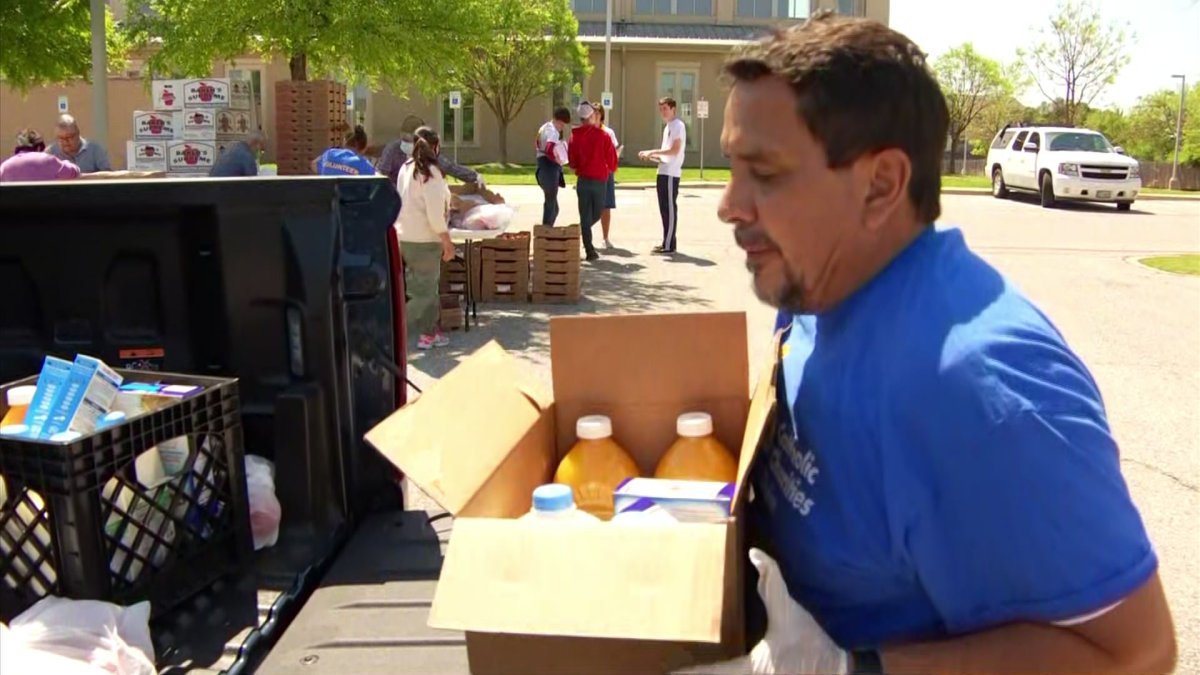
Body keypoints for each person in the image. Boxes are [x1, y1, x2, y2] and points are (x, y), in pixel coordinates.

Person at [701, 14, 1175, 675]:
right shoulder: (814, 294)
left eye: (766, 173)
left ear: (880, 185)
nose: (729, 204)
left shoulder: (984, 392)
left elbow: (1137, 652)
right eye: (732, 167)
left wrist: (849, 668)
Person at [396, 127, 455, 351]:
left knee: (425, 289)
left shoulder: (406, 168)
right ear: (436, 147)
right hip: (425, 239)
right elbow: (434, 214)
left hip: (405, 236)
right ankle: (397, 327)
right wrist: (446, 240)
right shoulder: (430, 172)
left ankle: (429, 333)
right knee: (426, 292)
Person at [566, 102, 617, 262]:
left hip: (583, 180)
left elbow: (572, 161)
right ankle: (588, 248)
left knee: (585, 214)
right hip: (600, 180)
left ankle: (587, 245)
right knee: (596, 212)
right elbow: (612, 160)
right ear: (591, 117)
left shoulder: (574, 136)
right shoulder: (603, 136)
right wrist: (611, 167)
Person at [639, 97, 685, 254]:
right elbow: (666, 155)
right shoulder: (667, 127)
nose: (663, 112)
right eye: (661, 109)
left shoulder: (678, 126)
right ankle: (666, 241)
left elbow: (675, 150)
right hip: (663, 172)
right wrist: (651, 156)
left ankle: (669, 245)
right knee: (664, 210)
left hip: (671, 174)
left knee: (670, 209)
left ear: (673, 109)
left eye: (665, 108)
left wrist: (653, 151)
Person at [379, 116, 481, 187]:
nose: (407, 144)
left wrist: (474, 176)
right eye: (404, 139)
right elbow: (382, 176)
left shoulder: (427, 151)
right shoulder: (392, 150)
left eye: (410, 140)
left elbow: (449, 167)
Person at [535, 107, 571, 226]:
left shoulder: (544, 127)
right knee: (551, 207)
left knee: (554, 207)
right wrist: (558, 159)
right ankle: (546, 232)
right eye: (562, 124)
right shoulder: (553, 131)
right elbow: (550, 148)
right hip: (549, 168)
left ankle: (546, 231)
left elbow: (538, 144)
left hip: (541, 166)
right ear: (557, 120)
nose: (562, 127)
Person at [0, 129, 80, 182]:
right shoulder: (48, 160)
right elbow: (73, 173)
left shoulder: (5, 165)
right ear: (38, 147)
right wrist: (66, 162)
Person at [47, 115, 112, 173]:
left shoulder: (95, 149)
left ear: (78, 133)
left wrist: (79, 177)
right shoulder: (50, 152)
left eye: (69, 137)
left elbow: (108, 174)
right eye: (61, 138)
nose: (65, 142)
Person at [595, 104, 621, 249]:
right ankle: (587, 238)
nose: (596, 116)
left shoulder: (608, 132)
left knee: (606, 205)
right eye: (594, 113)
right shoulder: (587, 131)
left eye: (598, 113)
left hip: (606, 172)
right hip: (591, 173)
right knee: (590, 206)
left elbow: (614, 152)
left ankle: (605, 238)